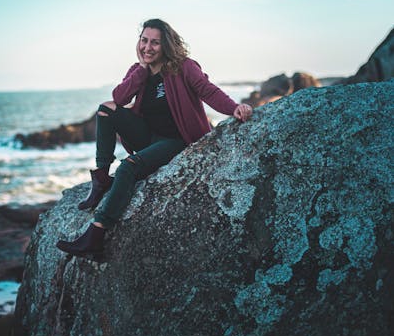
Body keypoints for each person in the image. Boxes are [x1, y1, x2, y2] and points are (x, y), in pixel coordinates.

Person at [56, 18, 253, 258]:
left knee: (127, 169)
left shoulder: (184, 67)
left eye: (155, 43)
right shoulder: (138, 70)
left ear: (166, 45)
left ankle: (97, 233)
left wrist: (234, 108)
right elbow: (119, 98)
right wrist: (141, 69)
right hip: (148, 137)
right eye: (144, 40)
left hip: (177, 141)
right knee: (105, 109)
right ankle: (100, 179)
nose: (147, 47)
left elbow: (208, 90)